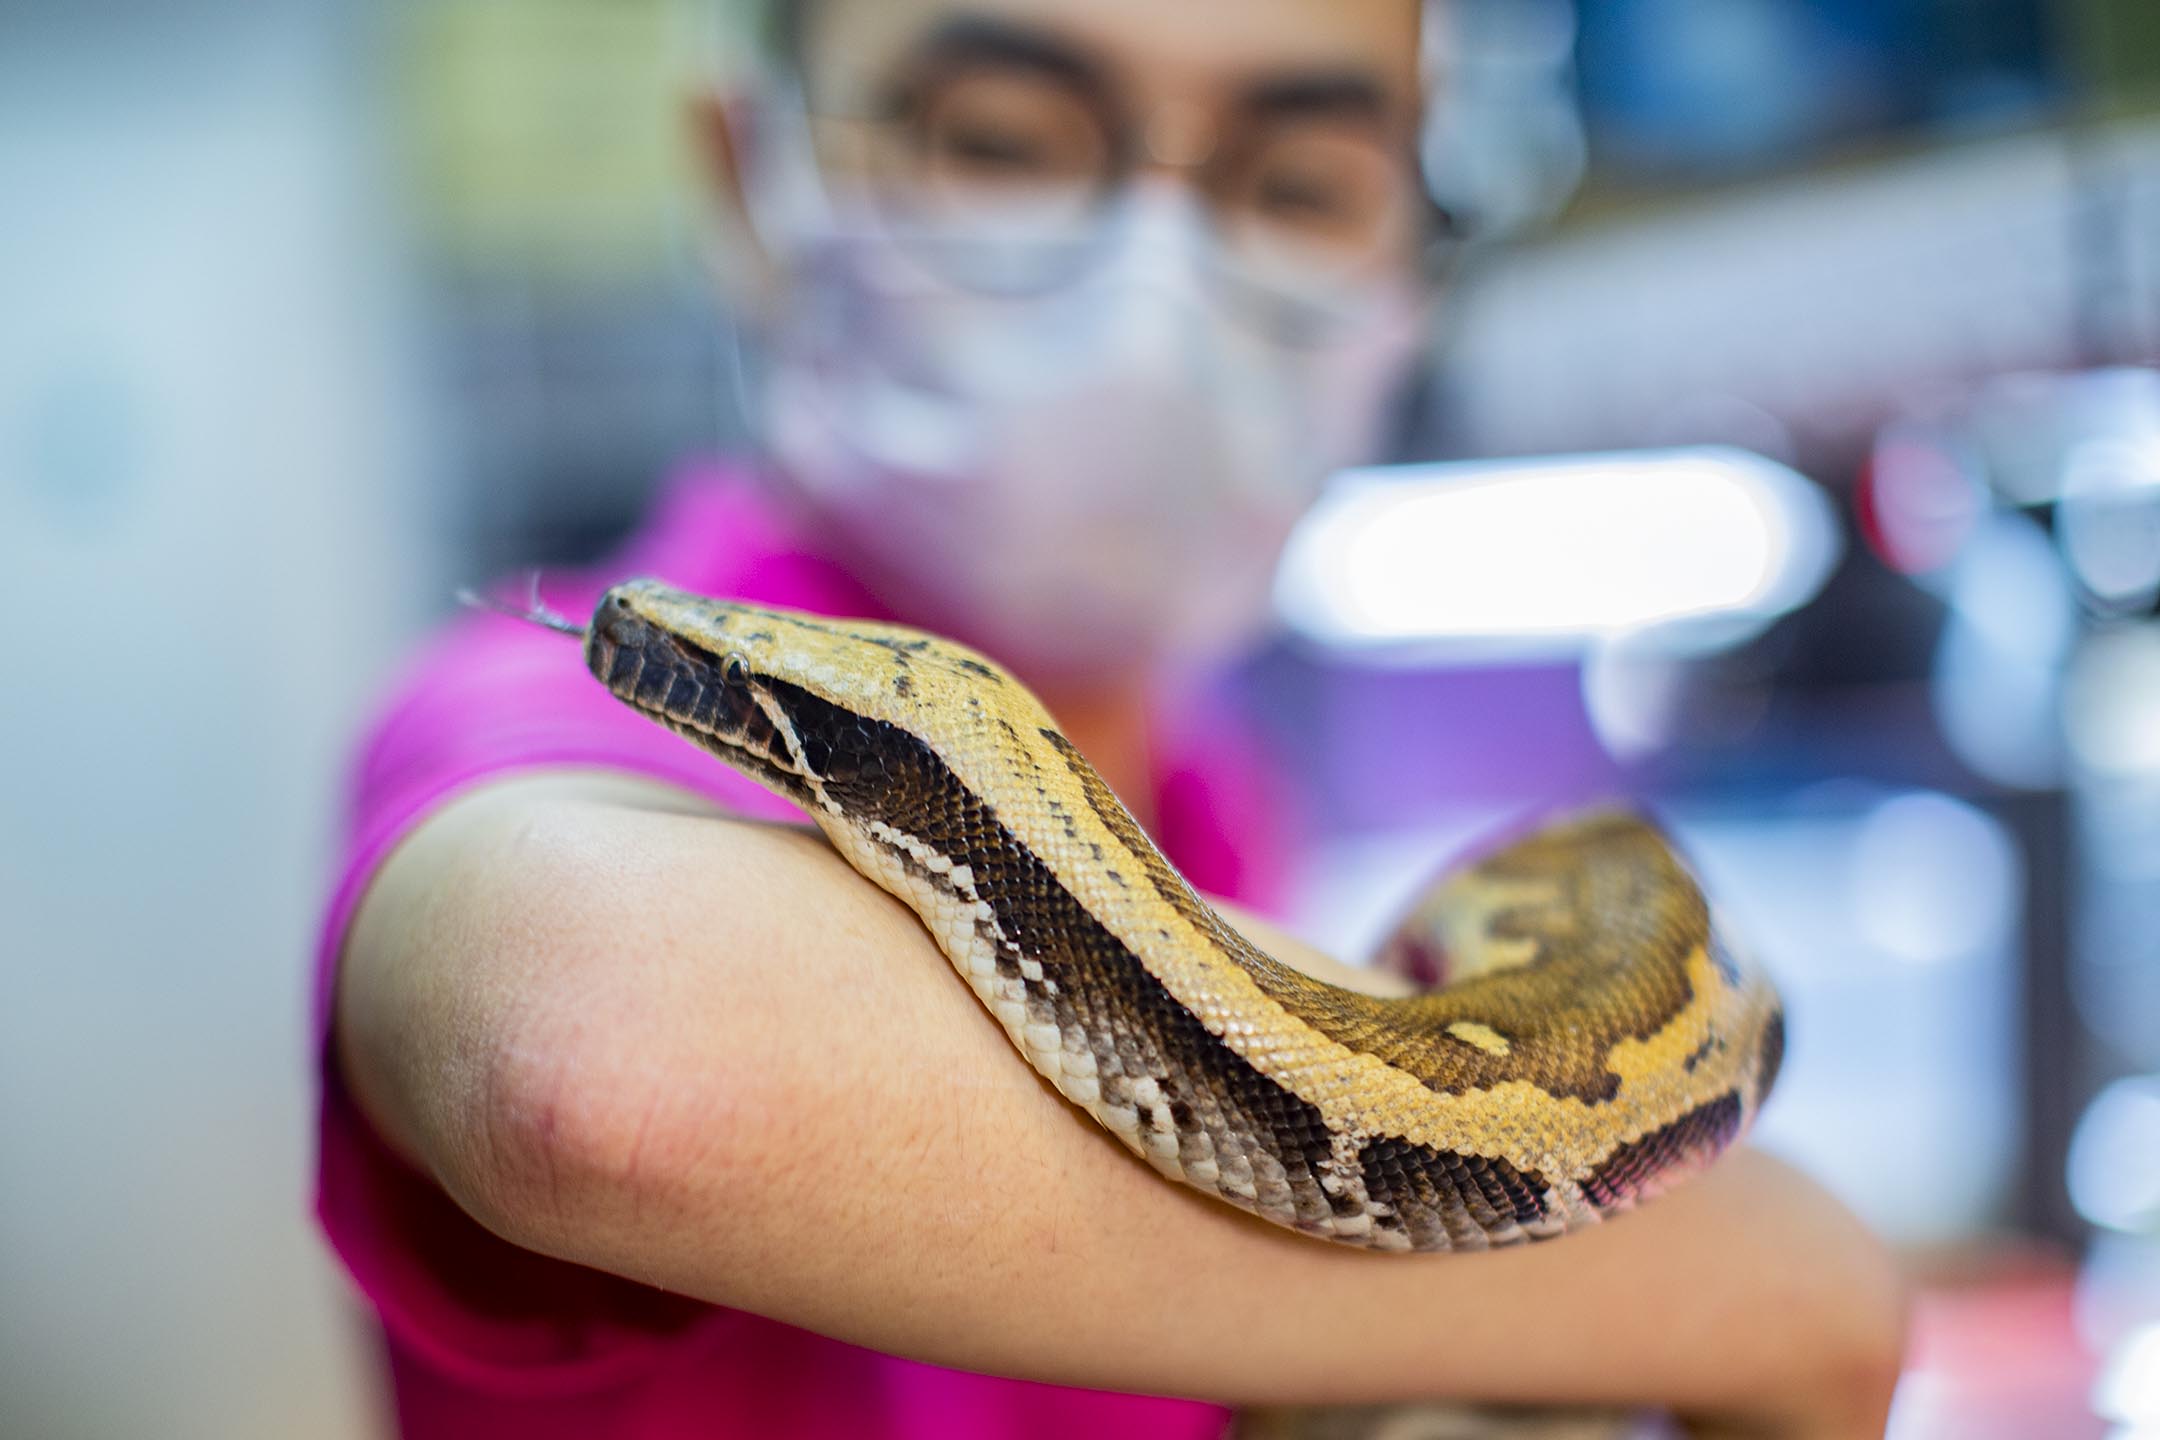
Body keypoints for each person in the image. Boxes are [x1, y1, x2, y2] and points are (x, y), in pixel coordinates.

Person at [319, 1, 1909, 1436]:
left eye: (1296, 185)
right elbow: (599, 1064)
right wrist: (1761, 1273)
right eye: (1006, 143)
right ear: (750, 174)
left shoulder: (1215, 801)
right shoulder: (525, 735)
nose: (1158, 274)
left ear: (1414, 241)